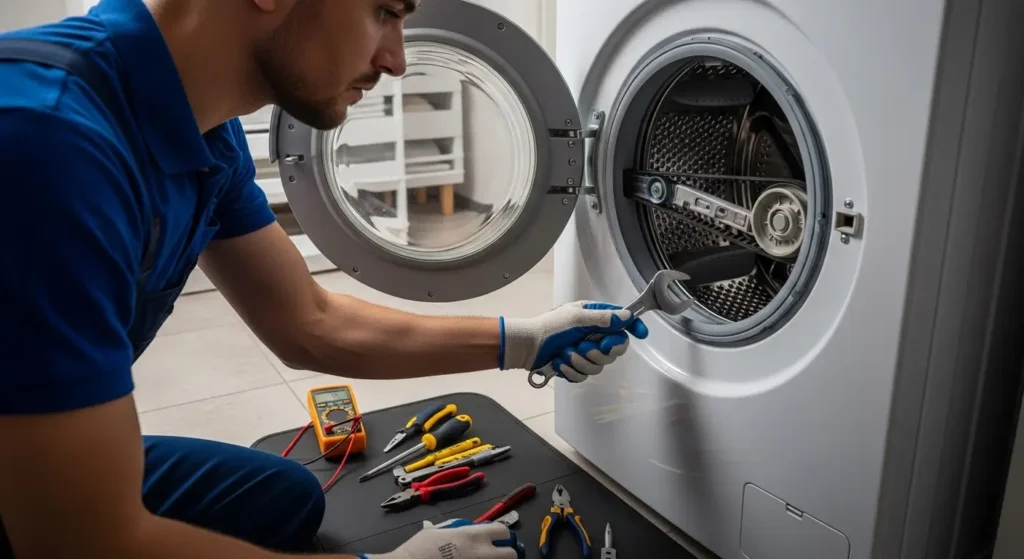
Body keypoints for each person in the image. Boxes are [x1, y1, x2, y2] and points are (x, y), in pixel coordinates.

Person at [0, 0, 650, 558]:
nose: (397, 59)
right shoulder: (46, 146)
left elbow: (309, 322)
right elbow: (81, 541)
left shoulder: (206, 130)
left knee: (283, 497)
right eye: (384, 11)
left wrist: (525, 339)